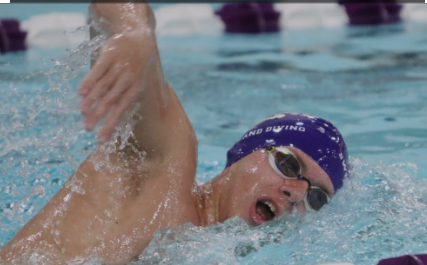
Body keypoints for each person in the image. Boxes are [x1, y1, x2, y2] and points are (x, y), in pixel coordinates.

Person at [0, 2, 349, 264]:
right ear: (244, 153)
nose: (296, 193)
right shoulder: (164, 166)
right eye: (289, 165)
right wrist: (135, 33)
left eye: (316, 197)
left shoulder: (212, 250)